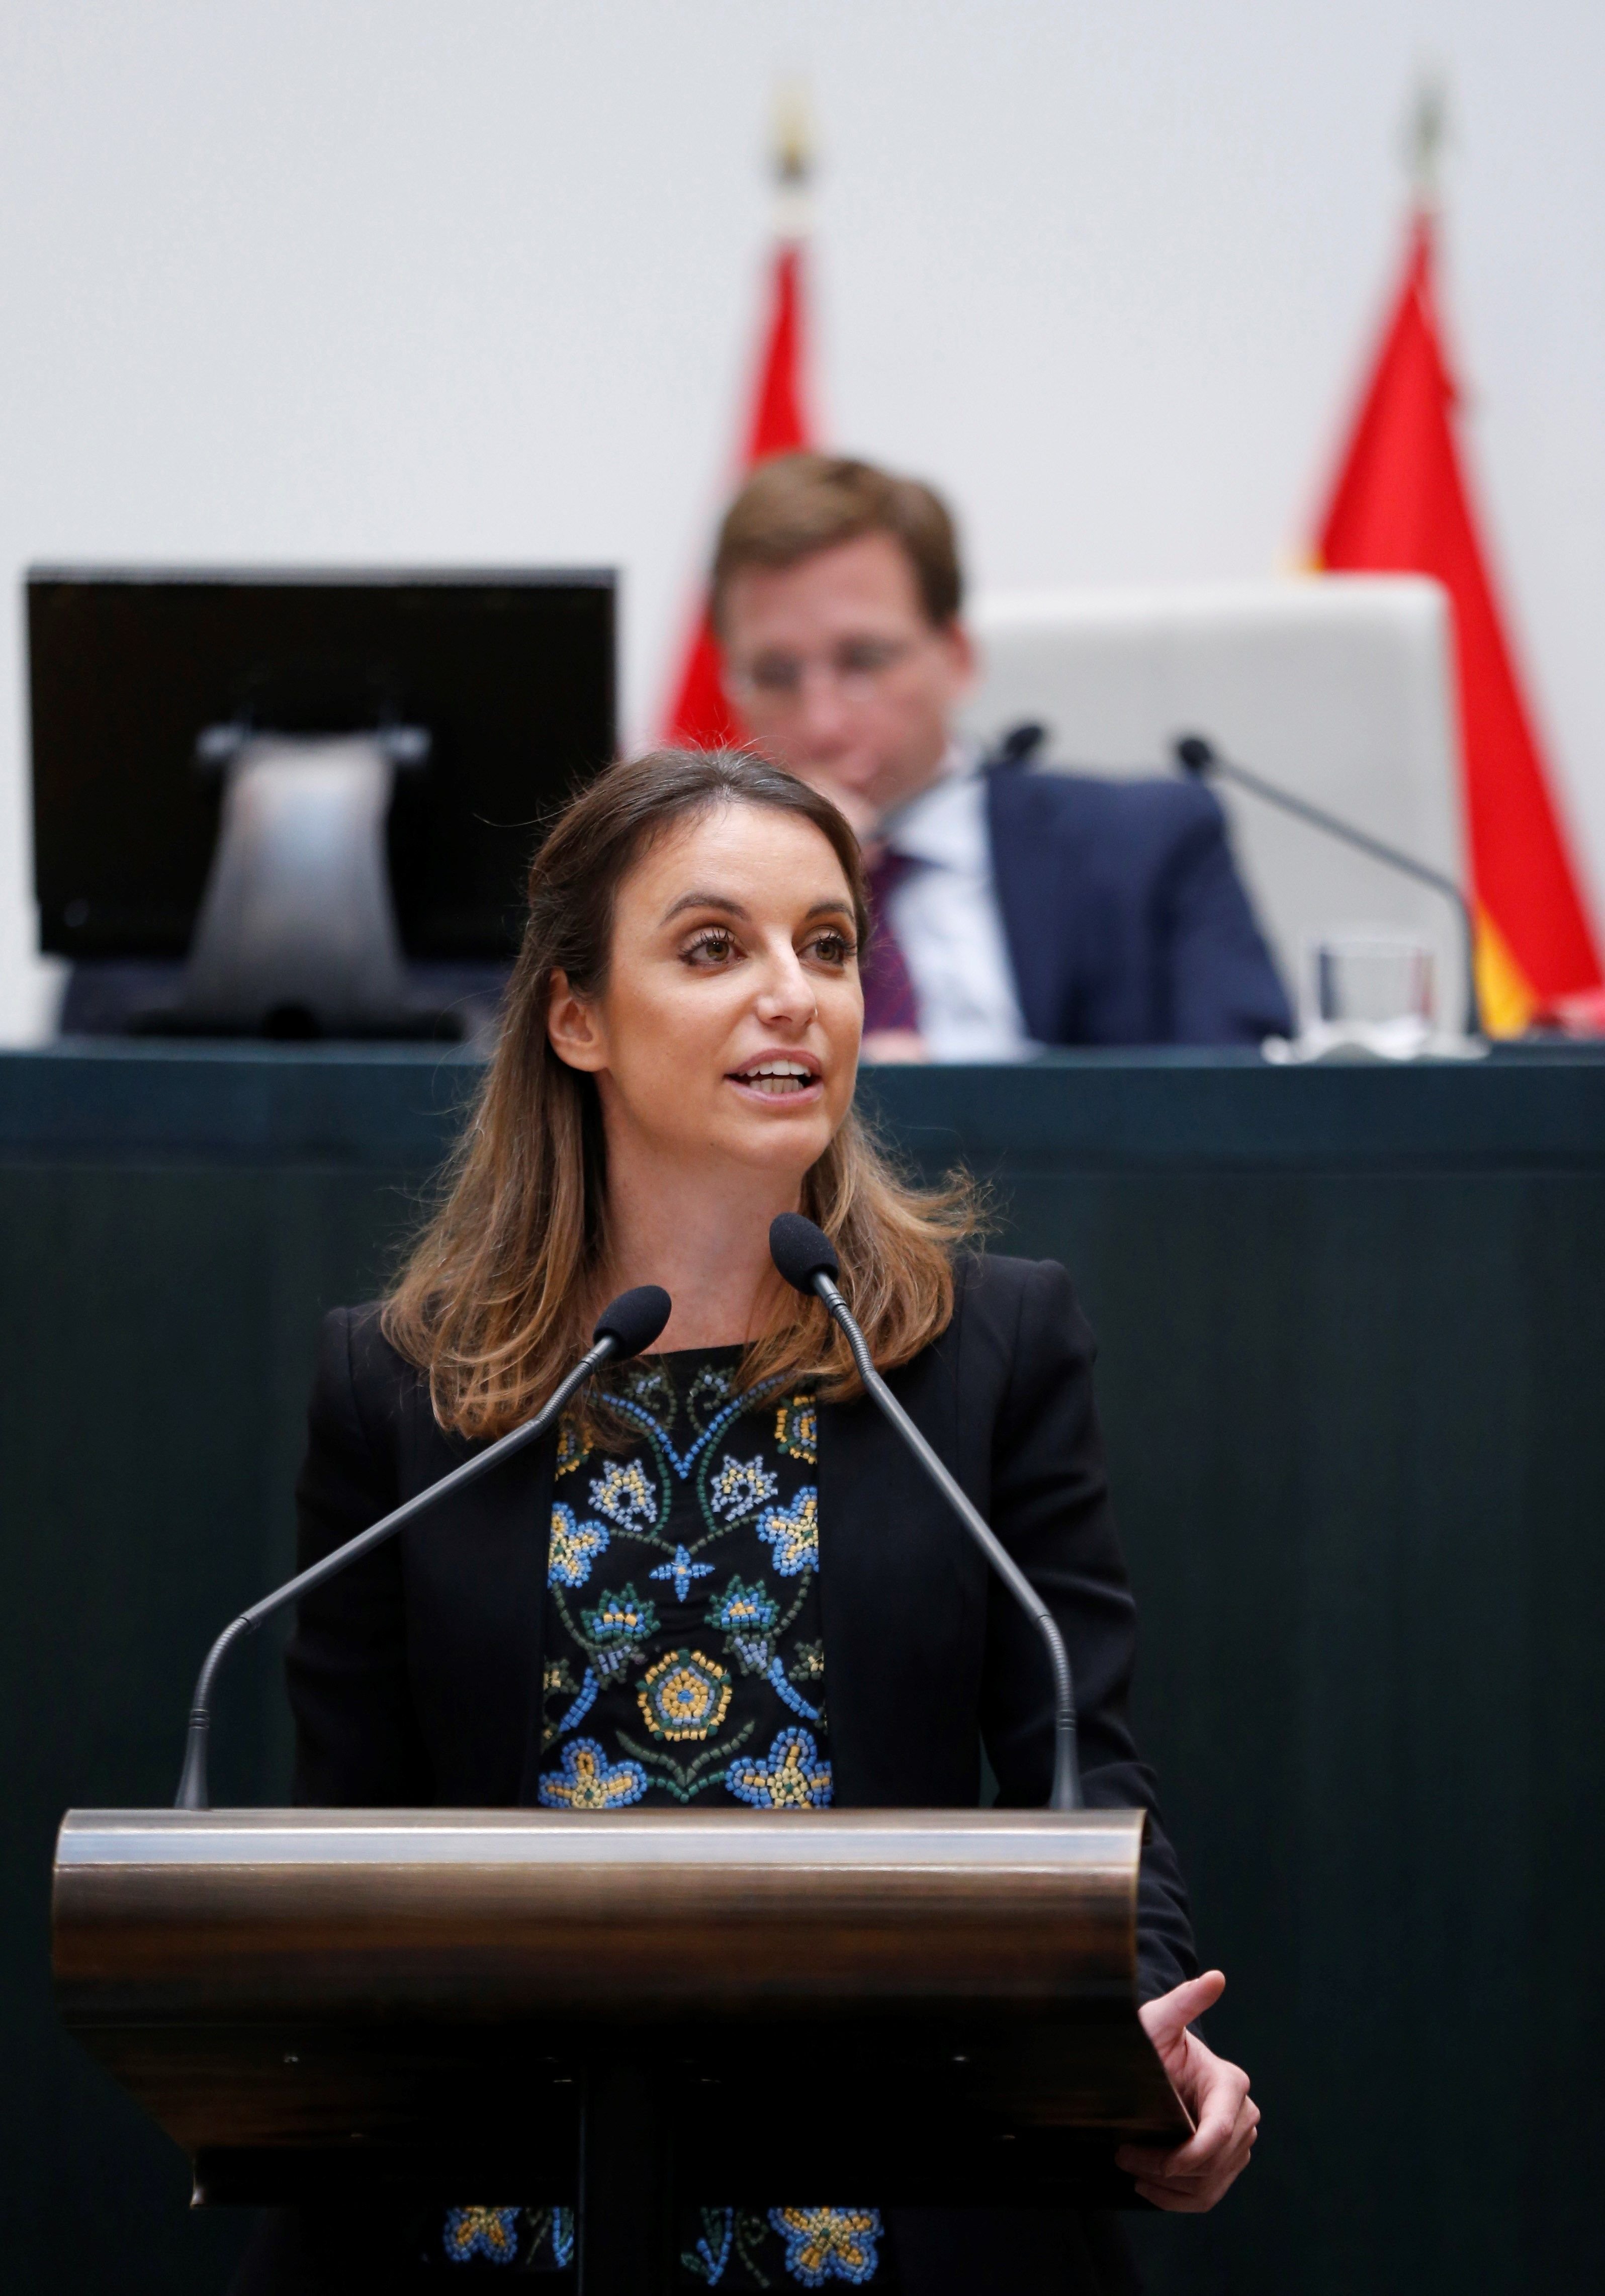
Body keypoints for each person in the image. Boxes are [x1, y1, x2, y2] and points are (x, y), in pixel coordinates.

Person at [242, 748, 1257, 2294]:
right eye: (714, 946)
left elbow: (1082, 1770)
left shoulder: (984, 1348)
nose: (792, 993)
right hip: (499, 2216)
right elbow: (344, 1854)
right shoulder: (400, 1388)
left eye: (827, 945)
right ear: (573, 1015)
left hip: (893, 2201)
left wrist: (1142, 2029)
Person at [710, 453, 1292, 1061]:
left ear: (957, 656)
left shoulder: (1149, 846)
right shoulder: (693, 890)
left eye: (863, 660)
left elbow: (1246, 1112)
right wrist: (784, 873)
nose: (821, 722)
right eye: (775, 675)